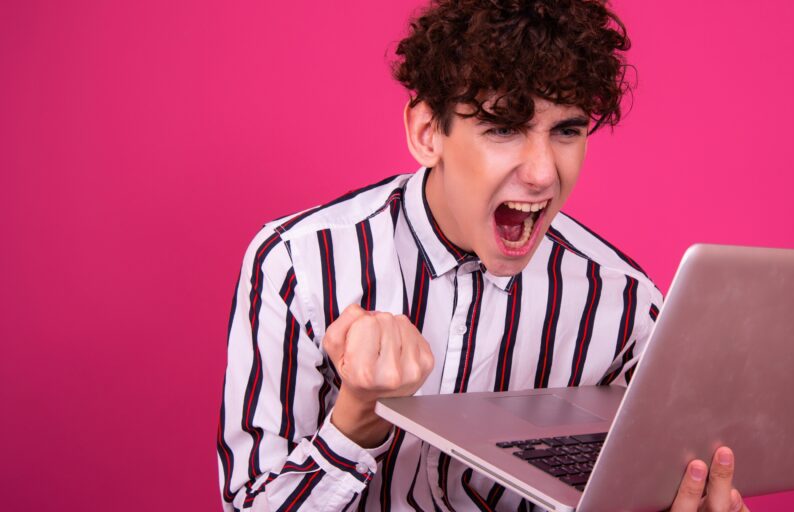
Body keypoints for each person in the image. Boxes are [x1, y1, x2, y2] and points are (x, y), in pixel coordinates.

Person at [217, 1, 749, 510]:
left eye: (567, 131)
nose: (543, 173)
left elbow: (645, 488)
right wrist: (356, 419)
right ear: (427, 132)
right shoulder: (300, 265)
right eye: (504, 128)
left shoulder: (626, 306)